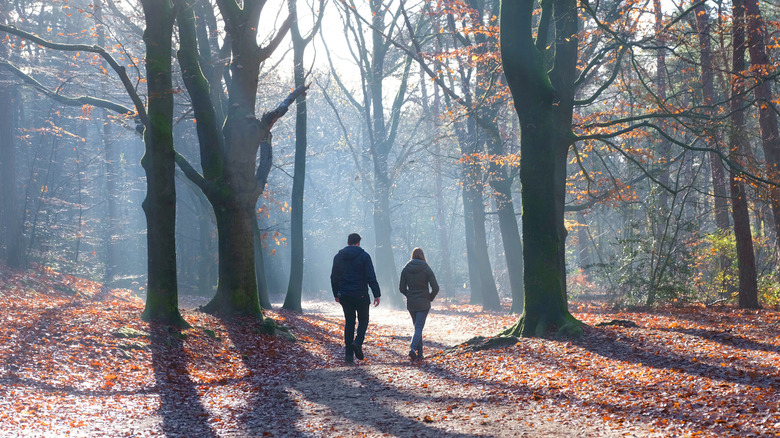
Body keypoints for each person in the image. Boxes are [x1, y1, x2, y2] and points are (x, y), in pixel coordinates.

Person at [331, 233, 381, 363]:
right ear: (358, 242)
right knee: (363, 319)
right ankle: (358, 342)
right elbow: (371, 276)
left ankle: (348, 354)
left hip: (345, 295)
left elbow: (334, 277)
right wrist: (376, 294)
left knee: (349, 322)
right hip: (361, 294)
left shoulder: (338, 257)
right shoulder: (364, 256)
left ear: (348, 243)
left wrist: (336, 293)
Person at [399, 247, 439, 360]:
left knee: (417, 327)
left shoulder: (406, 268)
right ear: (422, 256)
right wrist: (429, 297)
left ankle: (420, 353)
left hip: (412, 303)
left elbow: (401, 288)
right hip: (423, 302)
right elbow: (435, 287)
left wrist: (409, 295)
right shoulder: (426, 268)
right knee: (419, 327)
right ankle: (412, 349)